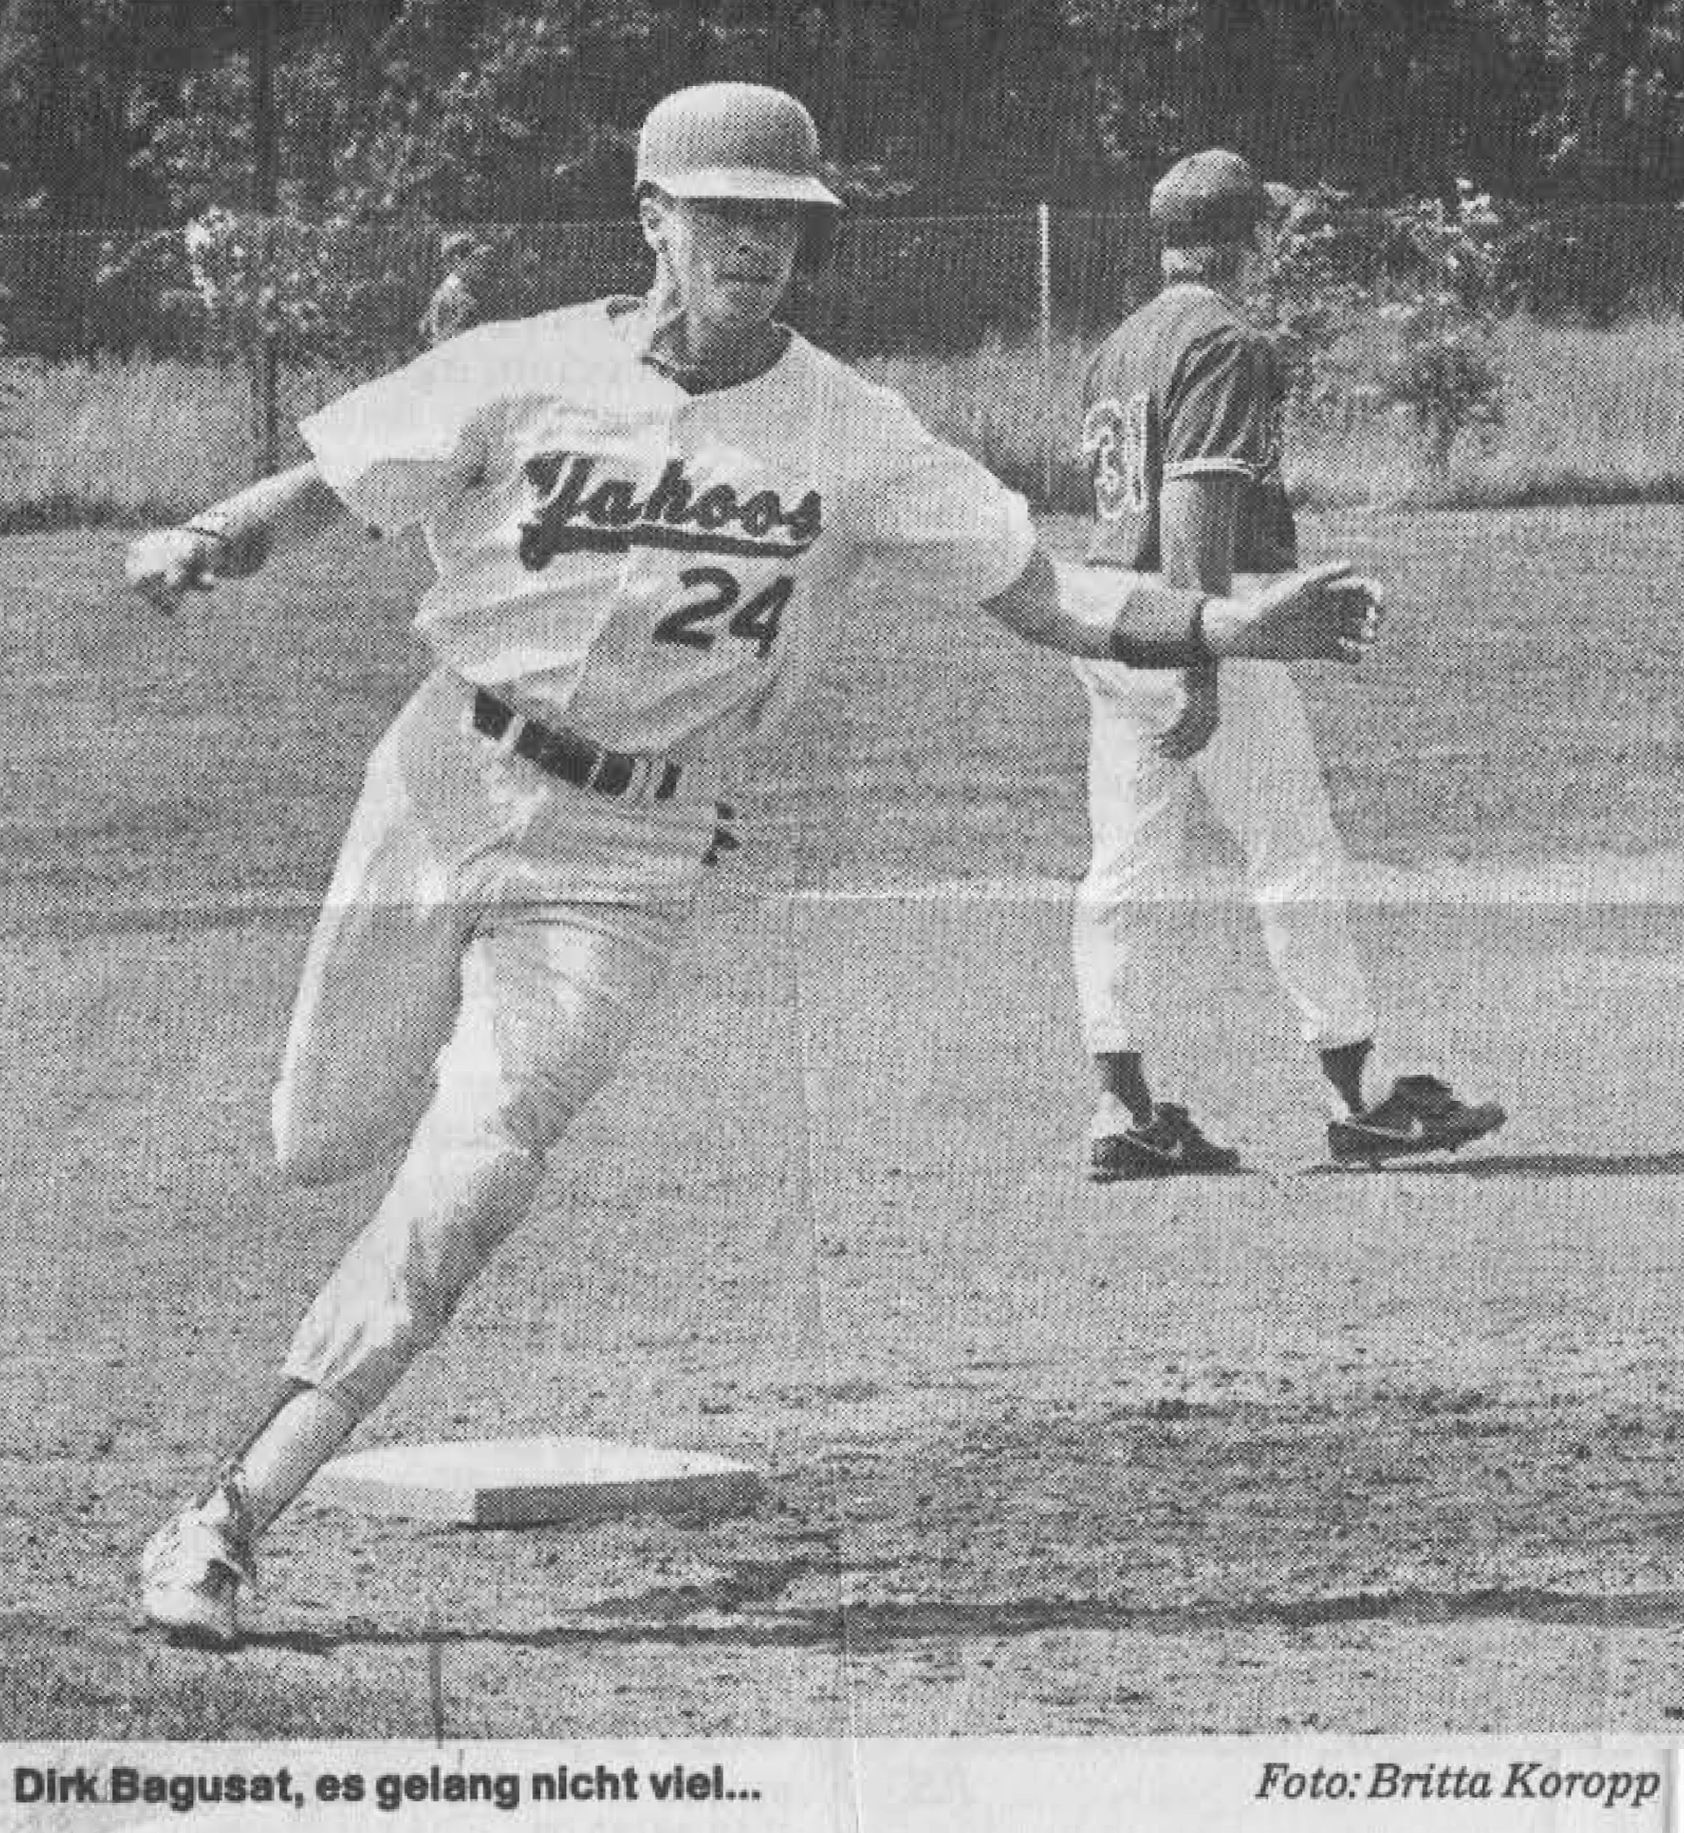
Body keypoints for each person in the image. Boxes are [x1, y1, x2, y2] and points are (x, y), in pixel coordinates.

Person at [124, 87, 1381, 1647]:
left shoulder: (849, 428)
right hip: (439, 782)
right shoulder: (523, 364)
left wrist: (1229, 624)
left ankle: (228, 1513)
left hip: (633, 848)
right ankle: (313, 1304)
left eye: (783, 221)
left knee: (477, 1168)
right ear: (651, 216)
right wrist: (209, 538)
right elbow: (338, 474)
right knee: (318, 1139)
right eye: (725, 214)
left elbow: (1044, 590)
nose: (758, 247)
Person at [1070, 148, 1505, 1181]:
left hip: (1110, 624)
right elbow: (1193, 505)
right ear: (1249, 237)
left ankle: (1122, 1110)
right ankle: (1360, 1101)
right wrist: (1208, 658)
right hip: (1200, 622)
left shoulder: (1117, 345)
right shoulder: (1223, 337)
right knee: (1294, 852)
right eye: (1268, 227)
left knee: (1124, 868)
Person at [419, 231, 487, 348]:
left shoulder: (451, 289)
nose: (481, 265)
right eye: (475, 259)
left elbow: (425, 328)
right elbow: (449, 344)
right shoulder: (453, 296)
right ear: (457, 260)